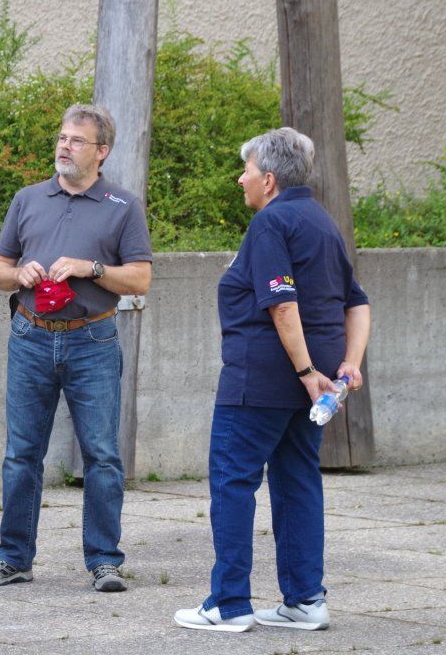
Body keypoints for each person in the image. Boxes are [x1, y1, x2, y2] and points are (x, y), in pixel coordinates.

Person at [174, 127, 371, 632]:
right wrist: (348, 362)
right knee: (297, 480)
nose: (240, 180)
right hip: (314, 381)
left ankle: (229, 603)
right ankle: (305, 600)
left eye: (245, 171)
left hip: (262, 380)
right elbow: (358, 301)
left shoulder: (271, 223)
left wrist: (307, 372)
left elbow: (282, 303)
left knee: (234, 481)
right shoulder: (321, 221)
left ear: (268, 179)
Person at [0, 104, 152, 593]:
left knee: (101, 454)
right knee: (21, 454)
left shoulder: (123, 205)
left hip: (92, 339)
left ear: (101, 152)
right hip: (30, 336)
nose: (64, 146)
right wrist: (19, 274)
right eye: (61, 137)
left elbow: (140, 278)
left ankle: (104, 561)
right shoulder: (28, 199)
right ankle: (13, 558)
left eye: (76, 140)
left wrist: (92, 268)